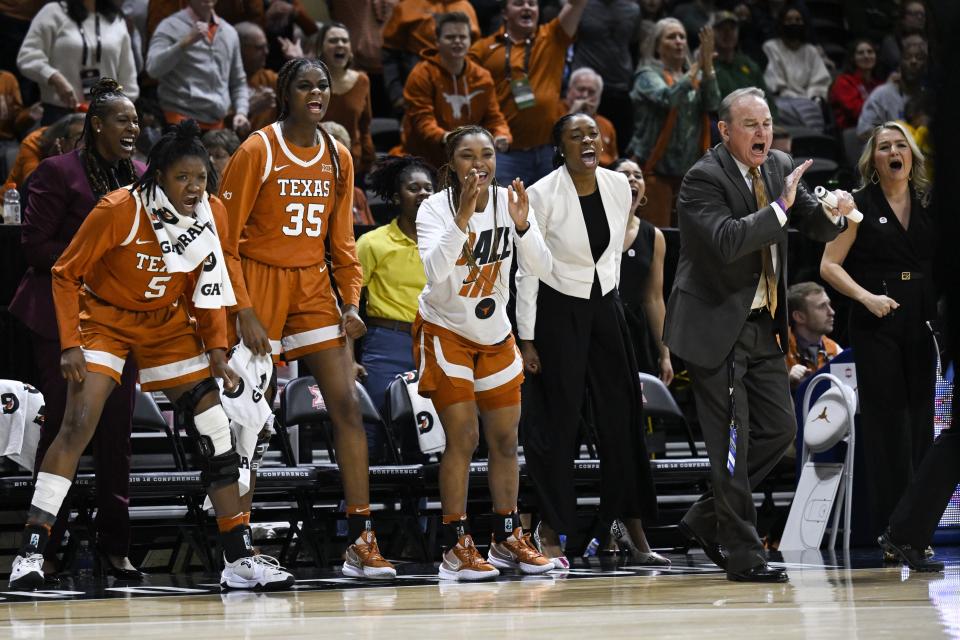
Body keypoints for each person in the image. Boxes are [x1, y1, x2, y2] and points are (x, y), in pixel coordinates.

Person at [8, 119, 295, 592]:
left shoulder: (213, 212)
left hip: (166, 324)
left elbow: (209, 285)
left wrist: (217, 350)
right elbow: (63, 273)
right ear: (158, 175)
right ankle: (31, 552)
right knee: (78, 424)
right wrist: (70, 344)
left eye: (200, 178)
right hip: (105, 321)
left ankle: (238, 558)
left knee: (215, 426)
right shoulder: (118, 208)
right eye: (182, 177)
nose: (193, 187)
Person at [662, 87, 854, 583]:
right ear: (725, 131)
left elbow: (809, 220)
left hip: (762, 326)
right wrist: (783, 208)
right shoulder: (702, 179)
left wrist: (833, 210)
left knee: (781, 431)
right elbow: (728, 241)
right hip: (715, 330)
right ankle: (744, 556)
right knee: (732, 443)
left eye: (766, 123)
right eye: (750, 124)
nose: (762, 133)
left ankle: (707, 518)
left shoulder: (778, 165)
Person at [217, 56, 396, 580]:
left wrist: (350, 303)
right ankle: (239, 549)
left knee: (346, 404)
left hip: (313, 284)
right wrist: (243, 309)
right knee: (247, 417)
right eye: (304, 86)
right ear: (284, 93)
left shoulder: (340, 156)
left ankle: (361, 539)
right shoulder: (257, 148)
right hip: (259, 280)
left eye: (322, 86)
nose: (316, 93)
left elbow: (341, 243)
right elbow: (225, 241)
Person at [9, 79, 143, 582]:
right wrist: (99, 269)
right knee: (63, 431)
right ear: (97, 124)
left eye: (137, 121)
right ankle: (41, 547)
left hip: (121, 321)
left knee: (117, 436)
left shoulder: (144, 178)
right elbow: (36, 248)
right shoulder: (56, 173)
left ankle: (115, 548)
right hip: (59, 315)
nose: (133, 128)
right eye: (123, 120)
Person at [516, 114, 658, 568]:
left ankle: (627, 522)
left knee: (623, 420)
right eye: (575, 136)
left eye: (592, 133)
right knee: (558, 426)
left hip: (607, 308)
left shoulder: (620, 186)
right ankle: (550, 528)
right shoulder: (541, 194)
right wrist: (528, 337)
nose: (587, 141)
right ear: (560, 147)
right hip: (557, 313)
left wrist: (611, 306)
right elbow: (528, 270)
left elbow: (613, 253)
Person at [415, 125, 554, 580]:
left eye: (487, 155)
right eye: (468, 156)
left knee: (505, 442)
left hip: (495, 334)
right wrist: (462, 217)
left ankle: (507, 537)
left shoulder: (509, 202)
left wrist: (522, 224)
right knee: (464, 440)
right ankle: (456, 546)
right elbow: (435, 273)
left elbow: (540, 268)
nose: (480, 164)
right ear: (451, 164)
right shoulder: (433, 209)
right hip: (446, 331)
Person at [820, 121, 936, 540]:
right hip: (877, 322)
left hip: (922, 323)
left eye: (900, 145)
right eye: (884, 146)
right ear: (875, 160)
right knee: (889, 428)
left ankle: (917, 530)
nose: (893, 152)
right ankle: (893, 531)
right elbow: (828, 265)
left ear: (911, 156)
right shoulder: (859, 205)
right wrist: (866, 297)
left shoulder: (928, 203)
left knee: (922, 425)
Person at [356, 155, 435, 457]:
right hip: (386, 343)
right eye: (413, 188)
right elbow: (348, 305)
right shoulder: (373, 243)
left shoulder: (447, 241)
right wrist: (349, 358)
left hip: (433, 343)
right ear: (396, 196)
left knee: (427, 433)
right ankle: (359, 504)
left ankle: (418, 504)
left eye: (428, 188)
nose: (423, 194)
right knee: (373, 427)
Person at [469, 0, 589, 186]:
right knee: (503, 213)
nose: (527, 7)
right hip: (504, 154)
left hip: (548, 151)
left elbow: (577, 5)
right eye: (518, 3)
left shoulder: (553, 36)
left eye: (532, 4)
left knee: (549, 214)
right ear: (504, 13)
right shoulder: (483, 49)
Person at [628, 18, 719, 227]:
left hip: (689, 174)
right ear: (658, 47)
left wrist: (709, 68)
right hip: (655, 173)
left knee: (687, 242)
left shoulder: (694, 77)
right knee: (658, 237)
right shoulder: (646, 75)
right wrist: (697, 66)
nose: (679, 41)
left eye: (682, 37)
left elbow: (713, 103)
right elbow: (668, 98)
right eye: (671, 37)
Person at [400, 11, 510, 170]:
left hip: (468, 162)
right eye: (450, 37)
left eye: (463, 37)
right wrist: (447, 137)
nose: (457, 41)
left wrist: (501, 134)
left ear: (470, 41)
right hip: (424, 162)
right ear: (437, 41)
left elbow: (493, 117)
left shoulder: (482, 76)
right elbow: (422, 120)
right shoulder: (421, 74)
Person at [17, 0, 139, 125]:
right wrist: (54, 77)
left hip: (106, 117)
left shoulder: (116, 20)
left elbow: (128, 79)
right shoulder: (53, 12)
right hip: (59, 114)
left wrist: (122, 111)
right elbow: (27, 56)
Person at [146, 0, 249, 134]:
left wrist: (241, 112)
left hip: (216, 126)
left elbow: (239, 82)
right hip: (179, 124)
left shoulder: (229, 32)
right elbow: (153, 68)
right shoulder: (170, 26)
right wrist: (184, 42)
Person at [612, 158, 672, 385]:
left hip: (635, 335)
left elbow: (654, 299)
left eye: (637, 175)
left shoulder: (653, 236)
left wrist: (665, 353)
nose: (632, 179)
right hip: (599, 328)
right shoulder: (591, 227)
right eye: (624, 174)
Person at [382, 0, 481, 114]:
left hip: (459, 91)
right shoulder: (408, 6)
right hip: (416, 90)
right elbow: (389, 54)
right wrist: (396, 95)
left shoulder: (466, 7)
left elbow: (474, 55)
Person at [570, 0, 641, 155]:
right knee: (577, 143)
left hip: (620, 86)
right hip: (586, 87)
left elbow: (634, 44)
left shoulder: (633, 9)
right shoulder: (582, 5)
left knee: (618, 148)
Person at [318, 22, 376, 175]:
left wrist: (368, 161)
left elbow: (365, 127)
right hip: (315, 163)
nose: (340, 44)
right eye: (333, 40)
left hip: (352, 164)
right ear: (321, 48)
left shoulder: (362, 81)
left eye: (345, 40)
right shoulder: (311, 83)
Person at [761, 5, 831, 130]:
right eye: (789, 20)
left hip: (810, 102)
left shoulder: (811, 51)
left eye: (798, 20)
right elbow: (774, 82)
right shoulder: (771, 47)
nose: (794, 23)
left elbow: (820, 81)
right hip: (783, 101)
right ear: (782, 23)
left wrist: (811, 98)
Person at [857, 35, 928, 140]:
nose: (913, 61)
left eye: (919, 58)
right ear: (899, 65)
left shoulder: (931, 96)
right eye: (907, 57)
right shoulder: (881, 95)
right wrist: (896, 134)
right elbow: (863, 132)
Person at [712, 10, 778, 121]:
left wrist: (771, 124)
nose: (727, 33)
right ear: (712, 33)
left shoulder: (749, 65)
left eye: (732, 29)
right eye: (722, 29)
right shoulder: (708, 66)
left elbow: (768, 101)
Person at [784, 281, 840, 390]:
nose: (831, 312)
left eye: (829, 304)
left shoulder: (834, 350)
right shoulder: (776, 347)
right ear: (799, 316)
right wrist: (786, 381)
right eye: (822, 307)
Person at [6, 113, 85, 187]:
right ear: (62, 142)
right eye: (80, 138)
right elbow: (31, 185)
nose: (86, 145)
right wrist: (53, 162)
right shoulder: (34, 142)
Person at [320, 120, 376, 225]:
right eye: (328, 152)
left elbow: (370, 231)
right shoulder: (312, 192)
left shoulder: (357, 194)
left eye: (340, 154)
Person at [564, 68, 617, 168]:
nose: (585, 95)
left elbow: (614, 161)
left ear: (599, 97)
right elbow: (552, 146)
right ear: (569, 90)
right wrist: (572, 114)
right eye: (581, 89)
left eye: (591, 92)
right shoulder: (555, 111)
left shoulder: (606, 124)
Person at [235, 21, 278, 133]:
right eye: (259, 48)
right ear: (239, 49)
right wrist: (247, 110)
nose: (266, 52)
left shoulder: (269, 78)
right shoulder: (219, 81)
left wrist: (299, 61)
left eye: (266, 46)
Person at [829, 39, 881, 132]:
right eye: (861, 53)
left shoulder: (877, 83)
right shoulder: (843, 82)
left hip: (876, 128)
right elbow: (856, 112)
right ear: (853, 58)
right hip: (852, 131)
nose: (866, 56)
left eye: (870, 52)